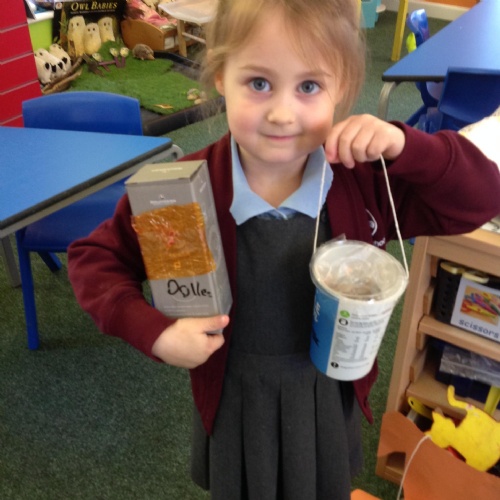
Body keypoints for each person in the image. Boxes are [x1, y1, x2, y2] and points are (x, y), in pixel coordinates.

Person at [68, 0, 500, 498]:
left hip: (325, 393)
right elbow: (95, 259)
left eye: (309, 86)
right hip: (236, 398)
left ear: (343, 87)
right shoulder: (178, 190)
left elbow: (480, 199)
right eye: (258, 83)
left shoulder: (364, 181)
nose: (281, 113)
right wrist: (155, 332)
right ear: (220, 76)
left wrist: (408, 147)